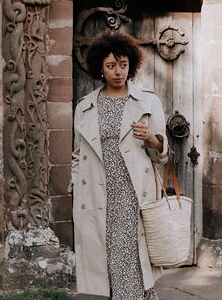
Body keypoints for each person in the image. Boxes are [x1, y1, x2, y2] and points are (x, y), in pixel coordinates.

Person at [71, 30, 169, 299]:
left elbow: (163, 154)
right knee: (107, 263)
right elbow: (78, 155)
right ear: (100, 67)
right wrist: (76, 188)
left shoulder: (148, 102)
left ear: (131, 66)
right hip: (97, 194)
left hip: (132, 193)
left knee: (131, 261)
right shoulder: (86, 106)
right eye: (111, 66)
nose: (118, 72)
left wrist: (151, 138)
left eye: (123, 65)